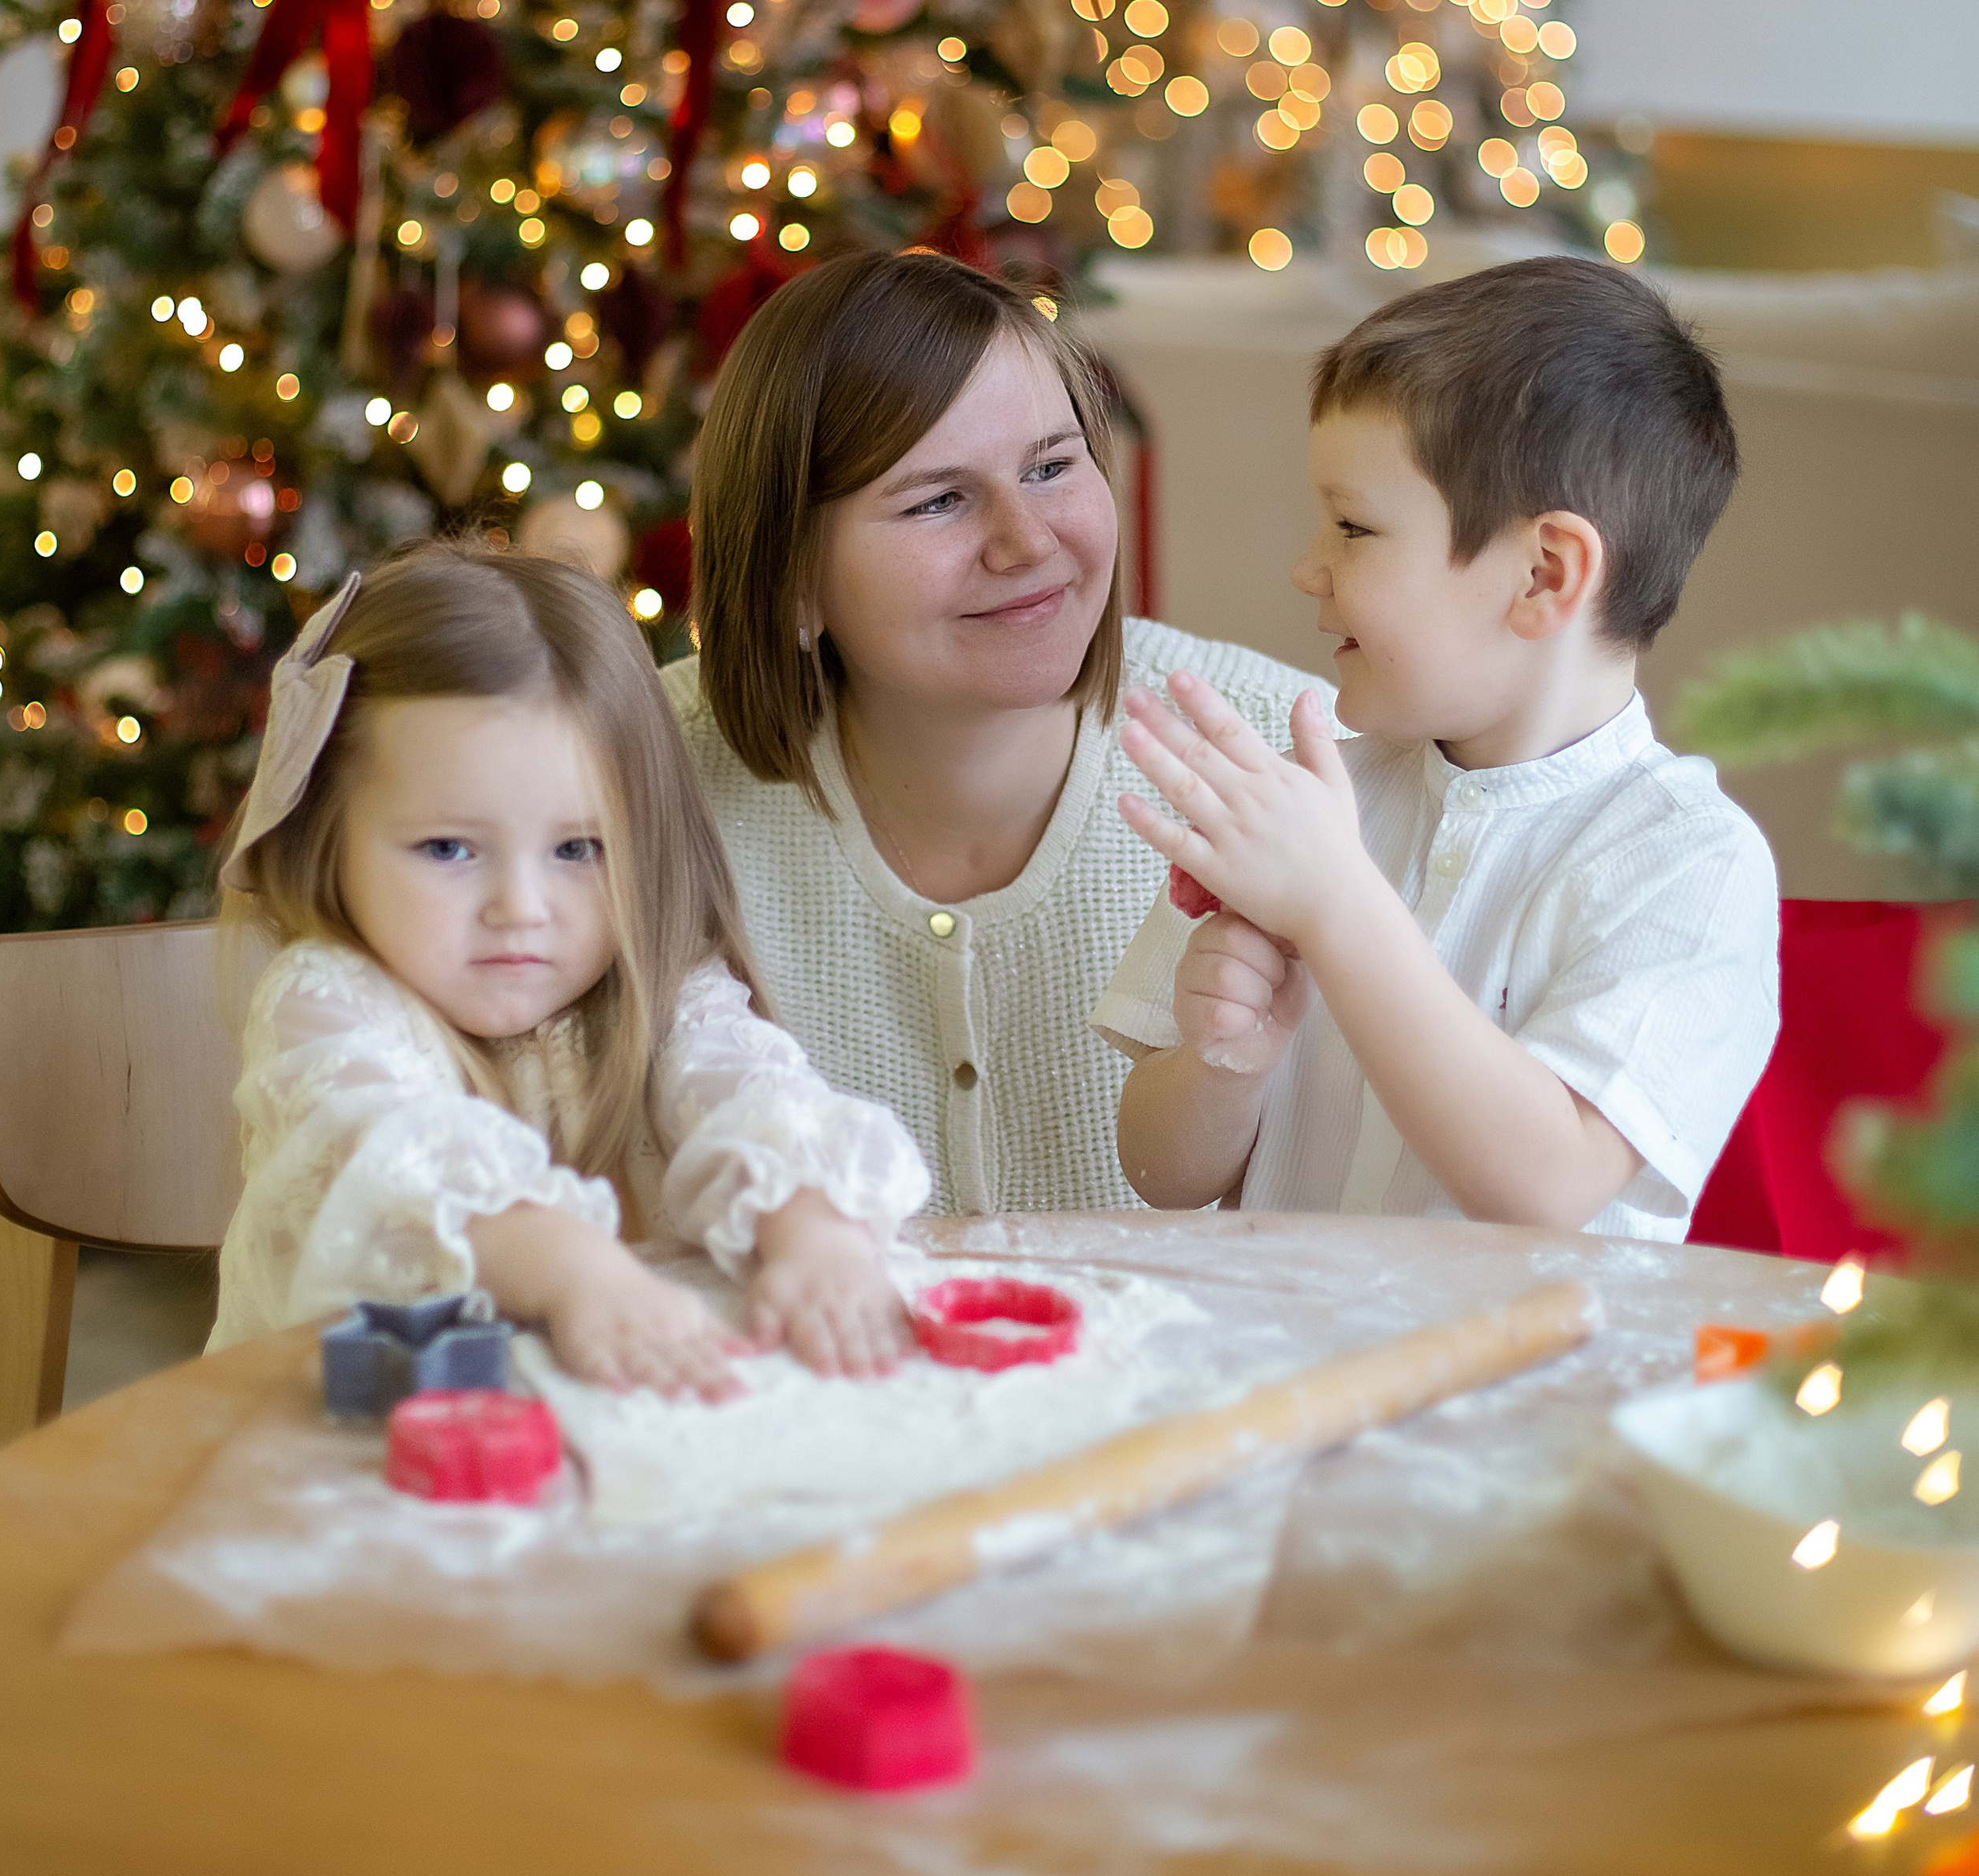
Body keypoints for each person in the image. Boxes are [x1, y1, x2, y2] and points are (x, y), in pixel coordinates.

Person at [1098, 257, 1779, 1240]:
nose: (1307, 568)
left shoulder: (1687, 866)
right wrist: (1221, 1058)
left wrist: (1338, 908)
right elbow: (1163, 1174)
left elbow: (1547, 1188)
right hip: (1283, 1370)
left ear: (1542, 574)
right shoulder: (1317, 805)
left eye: (1353, 527)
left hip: (1526, 1393)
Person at [672, 251, 1330, 1218]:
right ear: (791, 574)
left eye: (1053, 467)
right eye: (938, 499)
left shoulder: (1295, 758)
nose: (1027, 542)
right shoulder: (636, 773)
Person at [209, 542, 927, 1390]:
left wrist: (813, 1232)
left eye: (578, 848)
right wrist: (583, 1273)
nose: (521, 907)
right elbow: (399, 1157)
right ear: (328, 841)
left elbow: (747, 1090)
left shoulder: (656, 986)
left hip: (581, 1433)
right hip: (340, 1449)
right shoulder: (325, 1000)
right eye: (448, 847)